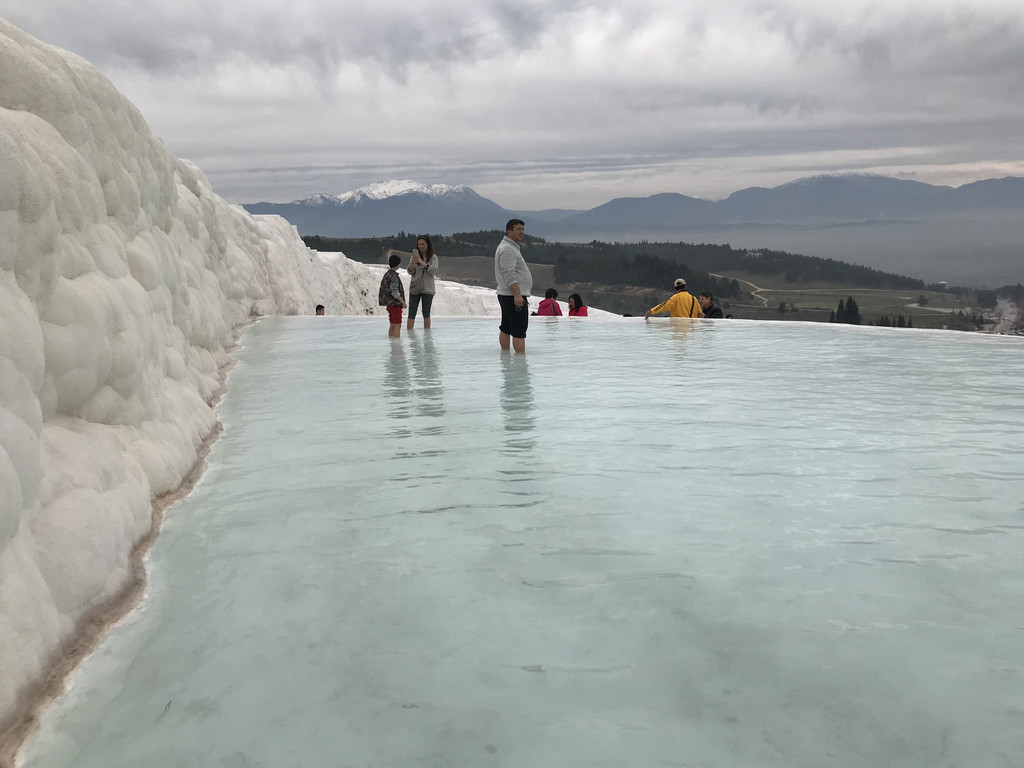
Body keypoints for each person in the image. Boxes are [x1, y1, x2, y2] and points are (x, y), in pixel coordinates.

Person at [495, 218, 532, 353]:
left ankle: (505, 357)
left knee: (506, 327)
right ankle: (520, 366)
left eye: (523, 229)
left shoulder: (509, 247)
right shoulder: (508, 249)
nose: (522, 232)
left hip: (507, 295)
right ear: (509, 232)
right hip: (513, 296)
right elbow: (509, 274)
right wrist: (517, 294)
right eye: (518, 229)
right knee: (519, 331)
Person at [407, 235, 439, 330]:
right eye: (419, 244)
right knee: (411, 313)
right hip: (416, 287)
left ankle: (427, 337)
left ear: (428, 244)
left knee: (426, 313)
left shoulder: (433, 257)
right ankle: (410, 335)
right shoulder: (414, 256)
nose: (420, 246)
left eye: (423, 244)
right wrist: (413, 262)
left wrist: (423, 263)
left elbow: (434, 271)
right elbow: (410, 272)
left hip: (428, 289)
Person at [378, 253, 407, 337]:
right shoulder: (394, 276)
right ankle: (396, 345)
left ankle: (391, 342)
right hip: (395, 304)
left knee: (392, 323)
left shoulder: (387, 274)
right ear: (398, 265)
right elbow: (394, 292)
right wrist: (403, 302)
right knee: (397, 324)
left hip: (389, 304)